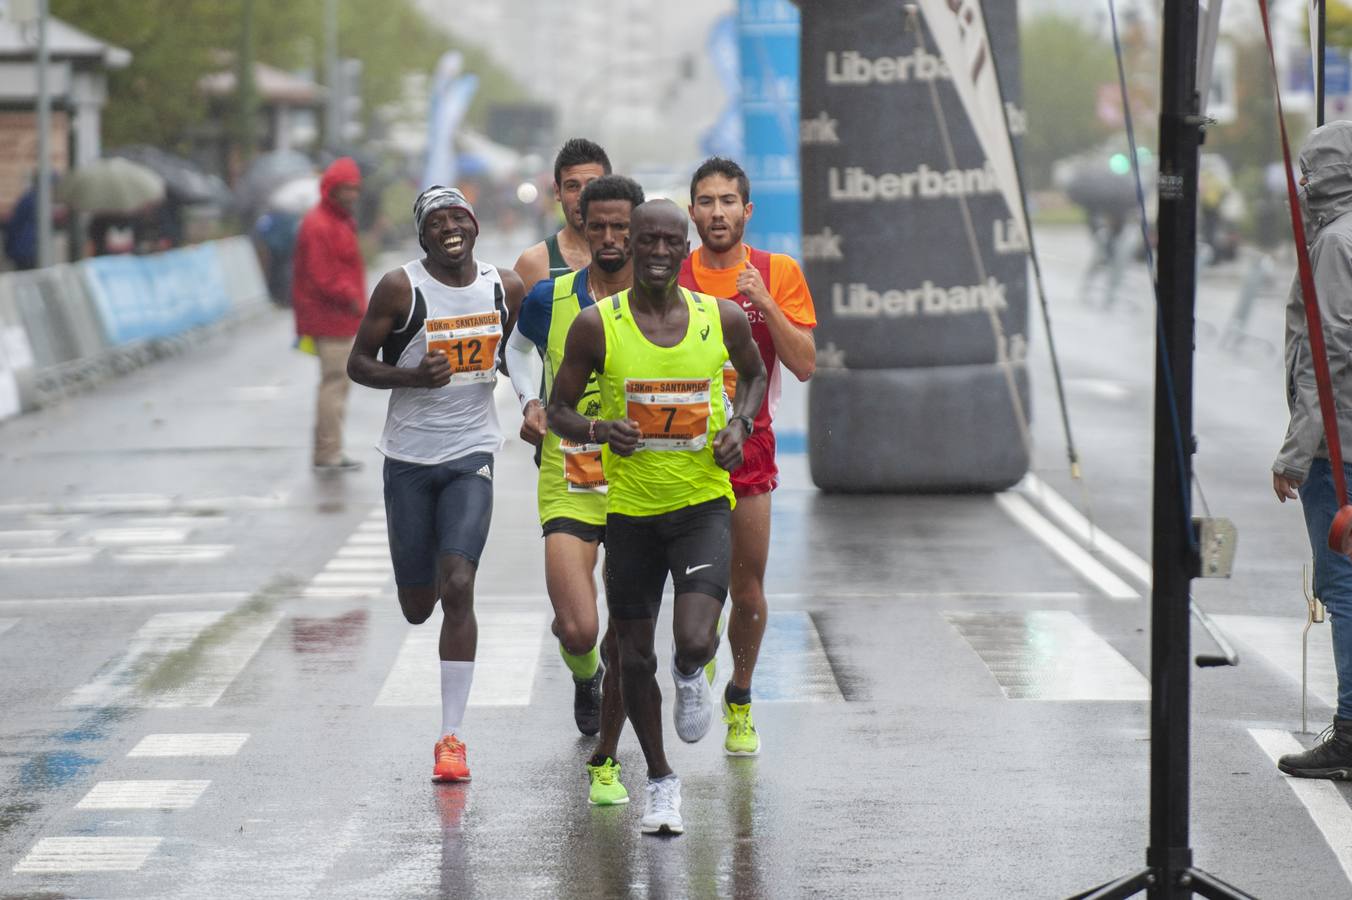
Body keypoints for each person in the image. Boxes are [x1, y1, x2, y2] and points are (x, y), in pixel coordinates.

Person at [548, 199, 767, 835]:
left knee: (693, 639)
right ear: (631, 245)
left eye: (674, 241)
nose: (661, 252)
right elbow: (558, 408)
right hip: (631, 514)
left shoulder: (718, 316)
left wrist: (743, 425)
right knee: (632, 657)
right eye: (649, 241)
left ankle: (692, 670)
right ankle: (662, 781)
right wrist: (596, 427)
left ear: (685, 244)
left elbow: (751, 378)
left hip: (700, 505)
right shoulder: (597, 325)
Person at [348, 186, 526, 783]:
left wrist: (528, 392)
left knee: (459, 585)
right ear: (423, 236)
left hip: (472, 453)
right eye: (438, 222)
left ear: (475, 228)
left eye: (460, 218)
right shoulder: (402, 288)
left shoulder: (504, 287)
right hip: (408, 460)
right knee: (419, 604)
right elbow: (357, 363)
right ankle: (420, 591)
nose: (451, 228)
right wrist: (412, 376)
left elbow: (522, 355)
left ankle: (451, 738)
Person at [504, 174, 645, 806]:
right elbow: (515, 351)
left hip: (644, 478)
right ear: (580, 228)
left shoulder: (667, 297)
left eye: (624, 228)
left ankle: (615, 707)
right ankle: (587, 680)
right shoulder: (548, 297)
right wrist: (531, 400)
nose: (612, 238)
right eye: (600, 227)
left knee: (627, 625)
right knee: (578, 627)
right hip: (570, 472)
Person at [680, 157, 816, 756]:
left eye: (728, 201)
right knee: (688, 586)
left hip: (750, 445)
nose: (717, 212)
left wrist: (765, 300)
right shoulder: (673, 274)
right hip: (679, 446)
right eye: (706, 202)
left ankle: (740, 694)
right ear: (692, 213)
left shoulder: (776, 271)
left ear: (747, 211)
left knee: (748, 588)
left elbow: (806, 364)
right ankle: (694, 657)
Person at [1274, 121, 1352, 781]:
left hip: (1341, 446)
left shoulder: (1333, 243)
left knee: (1344, 585)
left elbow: (1328, 359)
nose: (1301, 185)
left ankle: (1351, 728)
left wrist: (1297, 454)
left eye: (1309, 171)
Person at [292, 156, 366, 472]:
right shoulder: (320, 224)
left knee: (337, 383)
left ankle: (331, 448)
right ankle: (328, 451)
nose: (351, 194)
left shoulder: (337, 219)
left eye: (354, 188)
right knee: (334, 383)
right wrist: (351, 298)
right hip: (330, 318)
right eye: (345, 189)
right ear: (331, 189)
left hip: (339, 317)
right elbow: (322, 276)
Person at [513, 138, 611, 288]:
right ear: (557, 191)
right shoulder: (534, 264)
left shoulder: (634, 262)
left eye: (593, 184)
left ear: (610, 188)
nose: (583, 196)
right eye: (573, 186)